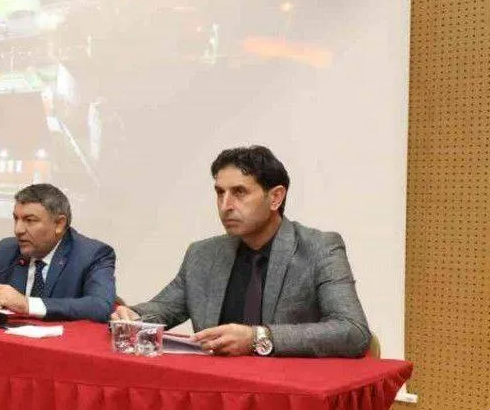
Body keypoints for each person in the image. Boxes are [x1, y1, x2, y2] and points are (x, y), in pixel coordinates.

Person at [112, 146, 370, 358]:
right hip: (220, 391)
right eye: (220, 193)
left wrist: (258, 338)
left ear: (275, 198)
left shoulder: (319, 248)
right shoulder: (203, 254)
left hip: (289, 392)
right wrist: (135, 316)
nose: (225, 205)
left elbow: (353, 332)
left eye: (239, 192)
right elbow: (164, 307)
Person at [0, 183, 116, 322]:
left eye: (29, 220)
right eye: (16, 219)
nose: (18, 230)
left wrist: (27, 304)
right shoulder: (8, 249)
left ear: (59, 224)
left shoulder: (92, 254)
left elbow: (100, 306)